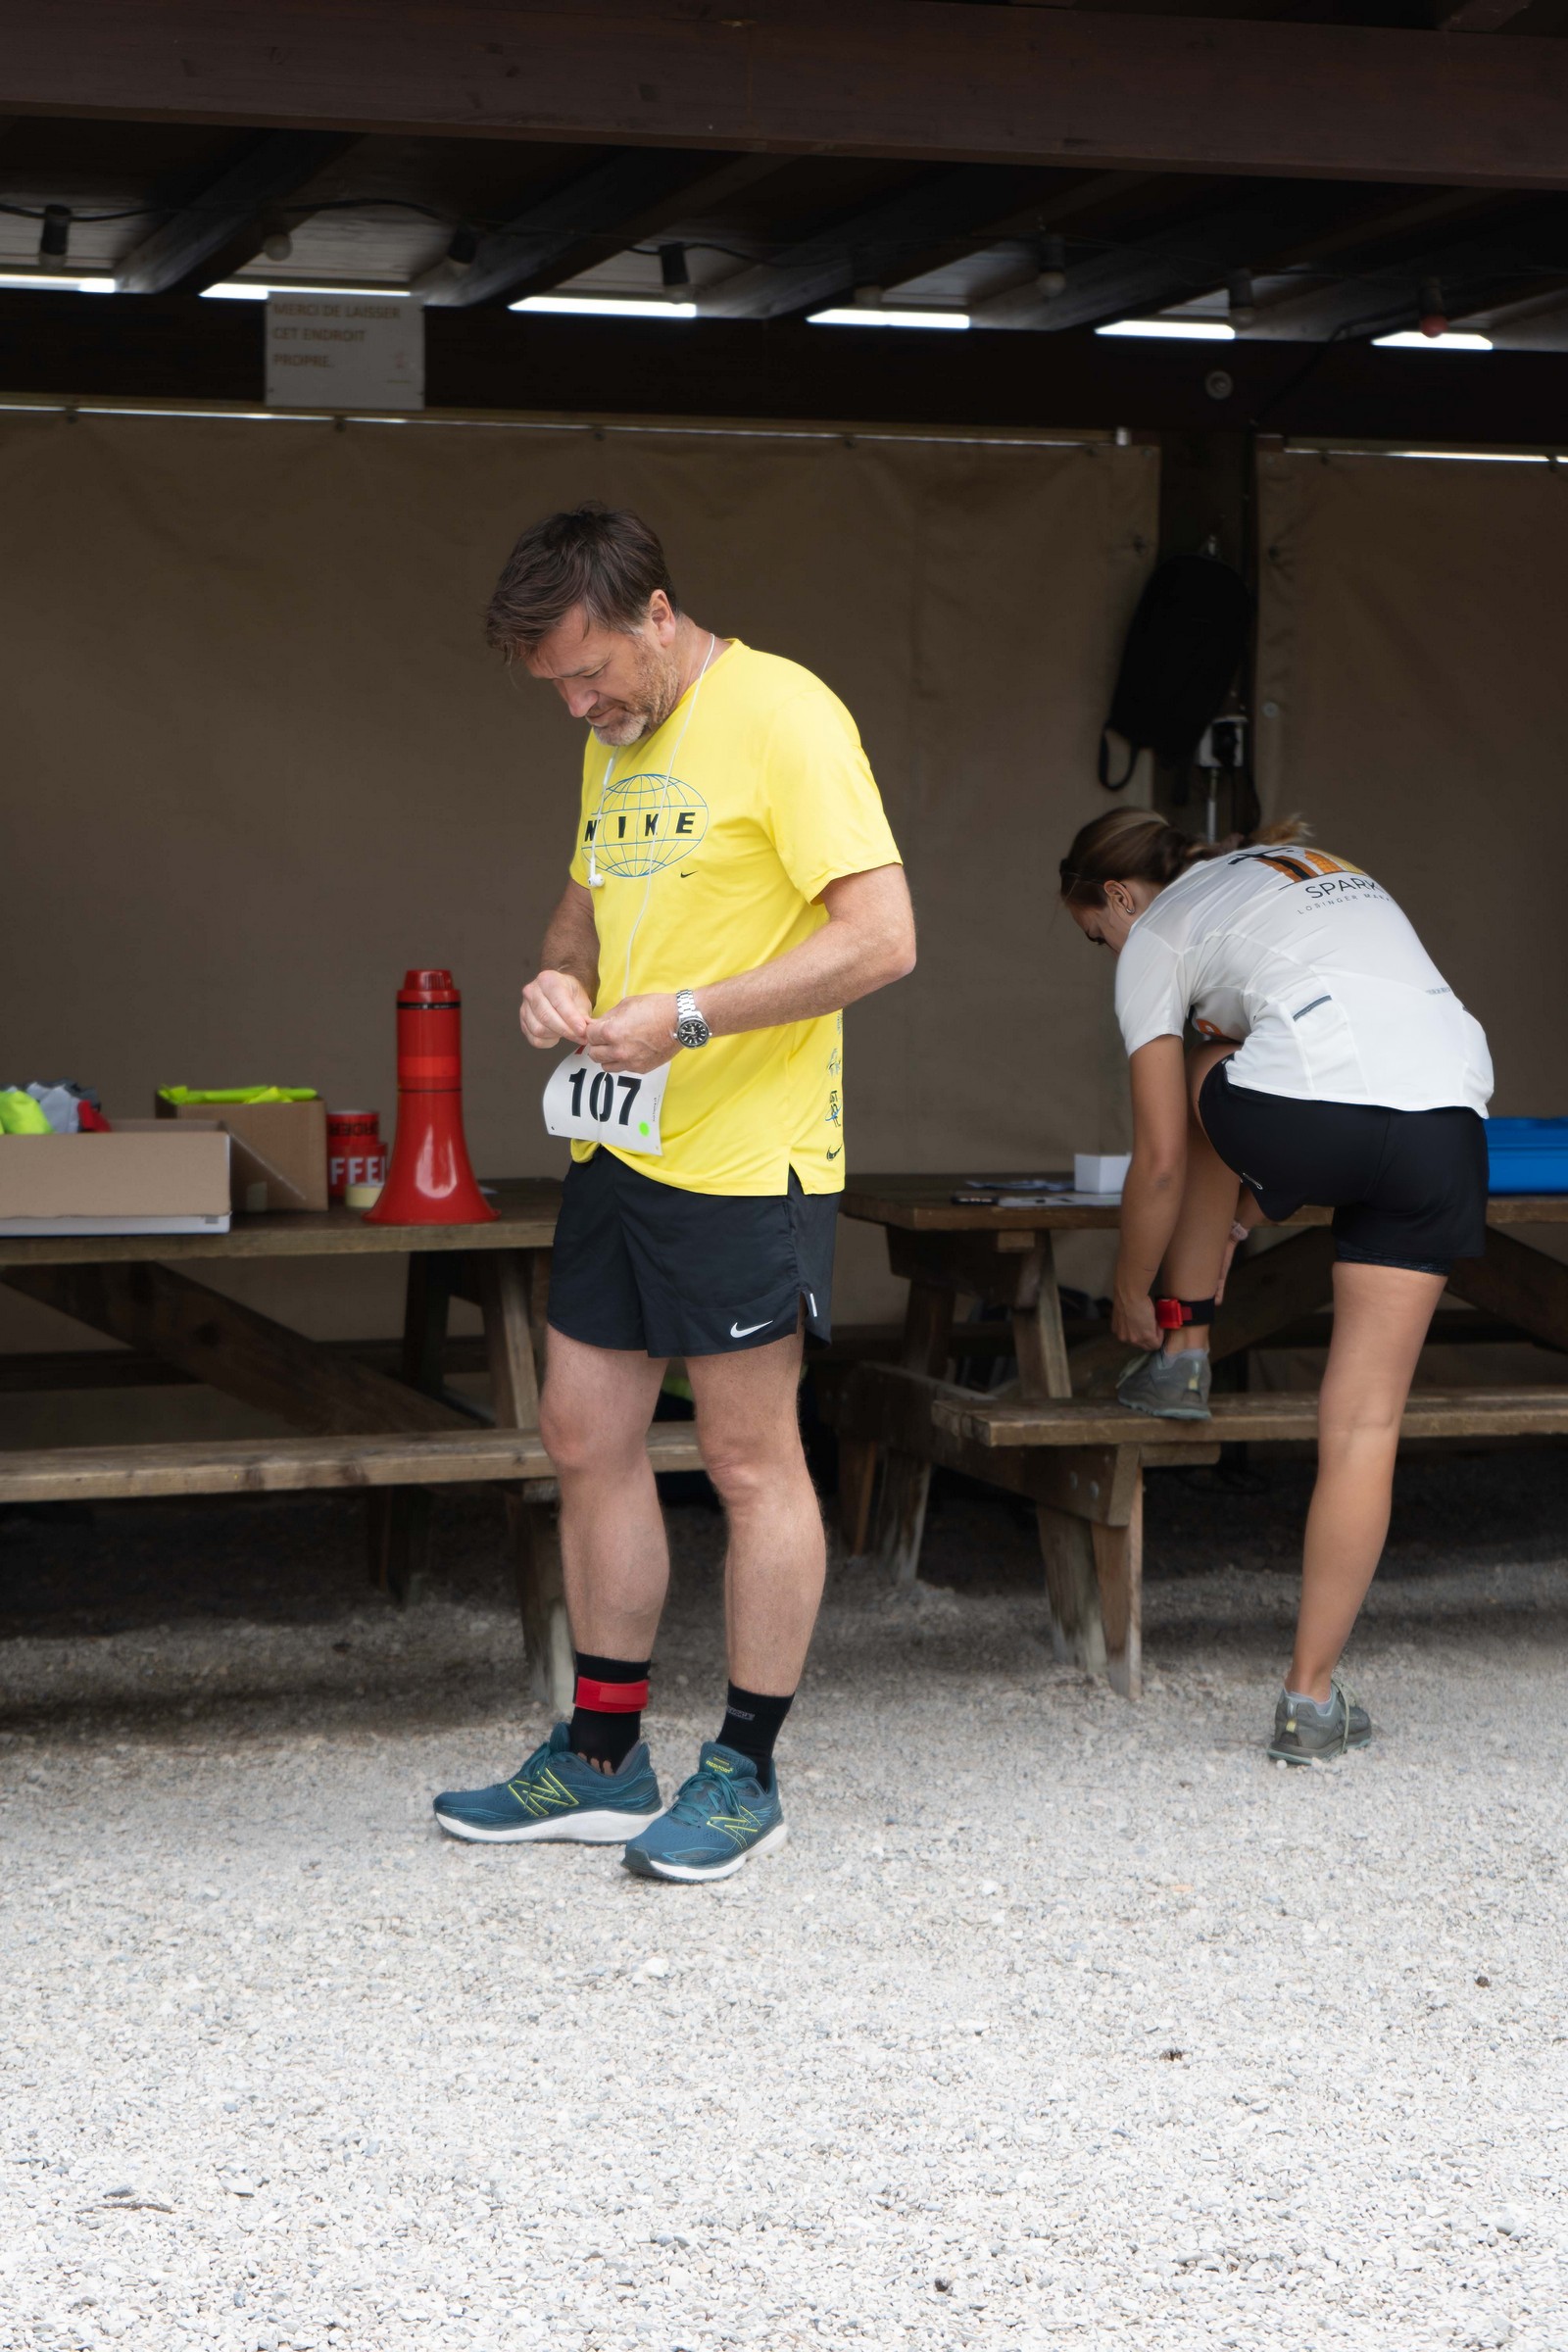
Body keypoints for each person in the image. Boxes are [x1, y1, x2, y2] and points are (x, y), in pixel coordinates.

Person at [434, 504, 914, 1878]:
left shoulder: (784, 714)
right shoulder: (614, 737)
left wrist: (691, 1017)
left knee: (751, 1460)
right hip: (621, 1144)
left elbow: (883, 940)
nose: (577, 706)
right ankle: (600, 1756)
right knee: (582, 1433)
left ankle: (746, 1770)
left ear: (656, 613)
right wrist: (560, 979)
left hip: (749, 1154)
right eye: (554, 688)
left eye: (588, 673)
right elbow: (587, 903)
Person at [1058, 808, 1492, 1764]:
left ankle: (1182, 1347)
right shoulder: (1293, 866)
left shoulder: (1157, 934)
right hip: (1446, 1120)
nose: (1109, 952)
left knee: (1206, 1065)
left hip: (1312, 1109)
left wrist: (1128, 1289)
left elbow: (1161, 1161)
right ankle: (1308, 1699)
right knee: (1365, 1426)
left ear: (1119, 897)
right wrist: (1244, 1216)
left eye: (1097, 934)